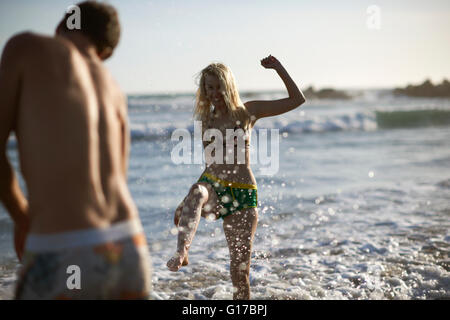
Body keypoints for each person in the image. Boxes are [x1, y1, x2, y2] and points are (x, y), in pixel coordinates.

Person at [0, 2, 151, 299]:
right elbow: (117, 176)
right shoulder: (114, 88)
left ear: (63, 23)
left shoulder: (25, 48)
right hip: (129, 246)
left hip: (63, 247)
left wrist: (22, 217)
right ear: (105, 52)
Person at [167, 55, 306, 299]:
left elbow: (297, 99)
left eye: (218, 86)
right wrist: (188, 200)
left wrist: (279, 68)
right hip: (214, 186)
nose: (214, 92)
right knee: (197, 191)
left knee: (239, 273)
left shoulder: (247, 112)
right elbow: (211, 163)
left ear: (228, 86)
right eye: (209, 87)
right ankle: (182, 252)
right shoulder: (206, 119)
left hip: (242, 193)